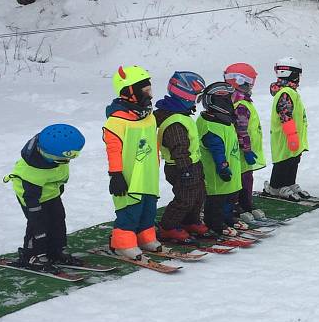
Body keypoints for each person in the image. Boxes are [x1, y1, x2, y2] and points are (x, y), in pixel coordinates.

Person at [3, 124, 86, 271]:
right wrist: (34, 213)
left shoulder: (54, 157)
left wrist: (58, 191)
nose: (69, 161)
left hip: (50, 193)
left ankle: (56, 250)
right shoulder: (31, 171)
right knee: (38, 225)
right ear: (52, 156)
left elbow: (58, 177)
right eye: (67, 158)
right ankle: (31, 255)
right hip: (31, 198)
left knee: (58, 220)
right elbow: (31, 196)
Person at [103, 66, 162, 258]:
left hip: (148, 174)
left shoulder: (148, 116)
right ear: (128, 92)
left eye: (149, 90)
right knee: (130, 210)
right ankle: (122, 243)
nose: (149, 95)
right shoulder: (116, 121)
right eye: (143, 91)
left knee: (148, 208)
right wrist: (116, 174)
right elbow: (113, 150)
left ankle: (145, 238)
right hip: (128, 175)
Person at [154, 71, 209, 243]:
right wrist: (185, 169)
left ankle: (190, 221)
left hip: (192, 164)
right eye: (196, 97)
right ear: (184, 95)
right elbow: (179, 148)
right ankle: (168, 227)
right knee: (184, 198)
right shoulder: (174, 121)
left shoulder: (181, 115)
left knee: (199, 194)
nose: (197, 102)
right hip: (180, 167)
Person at [196, 81, 243, 236]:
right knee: (216, 200)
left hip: (232, 168)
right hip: (218, 172)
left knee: (229, 198)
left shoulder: (224, 120)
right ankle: (215, 223)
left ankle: (227, 217)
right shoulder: (210, 125)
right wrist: (222, 166)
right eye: (227, 99)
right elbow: (217, 149)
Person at [224, 62, 266, 219]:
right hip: (241, 152)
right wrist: (247, 150)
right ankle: (238, 207)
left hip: (244, 151)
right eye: (249, 82)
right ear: (239, 82)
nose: (251, 86)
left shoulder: (240, 101)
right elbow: (241, 130)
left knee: (246, 178)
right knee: (240, 180)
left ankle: (246, 204)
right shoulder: (240, 104)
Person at [264, 57, 310, 200]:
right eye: (298, 75)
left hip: (293, 135)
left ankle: (289, 183)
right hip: (285, 136)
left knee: (293, 160)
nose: (299, 78)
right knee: (283, 161)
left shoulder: (290, 91)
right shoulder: (285, 93)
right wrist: (291, 135)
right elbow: (285, 115)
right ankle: (275, 187)